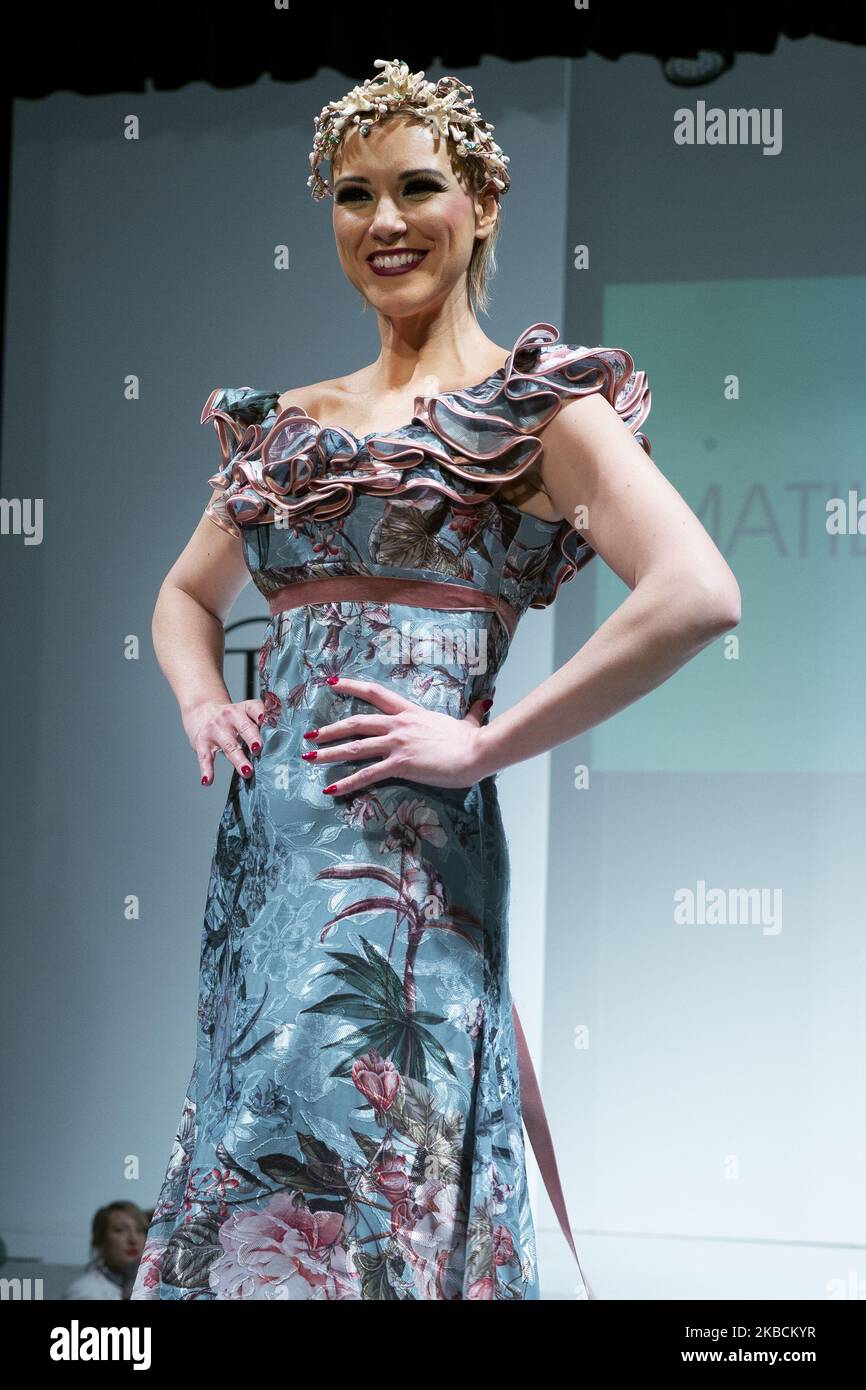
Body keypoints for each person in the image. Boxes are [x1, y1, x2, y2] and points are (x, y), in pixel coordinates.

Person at [130, 58, 740, 1302]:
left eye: (417, 187)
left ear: (483, 204)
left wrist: (482, 745)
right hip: (263, 882)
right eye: (353, 197)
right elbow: (185, 595)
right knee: (259, 1186)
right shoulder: (292, 424)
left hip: (405, 883)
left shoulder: (527, 412)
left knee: (373, 1189)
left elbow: (695, 591)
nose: (386, 222)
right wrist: (202, 697)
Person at [64, 1201, 148, 1299]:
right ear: (101, 1240)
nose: (133, 1239)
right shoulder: (85, 1293)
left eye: (140, 1230)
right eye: (120, 1230)